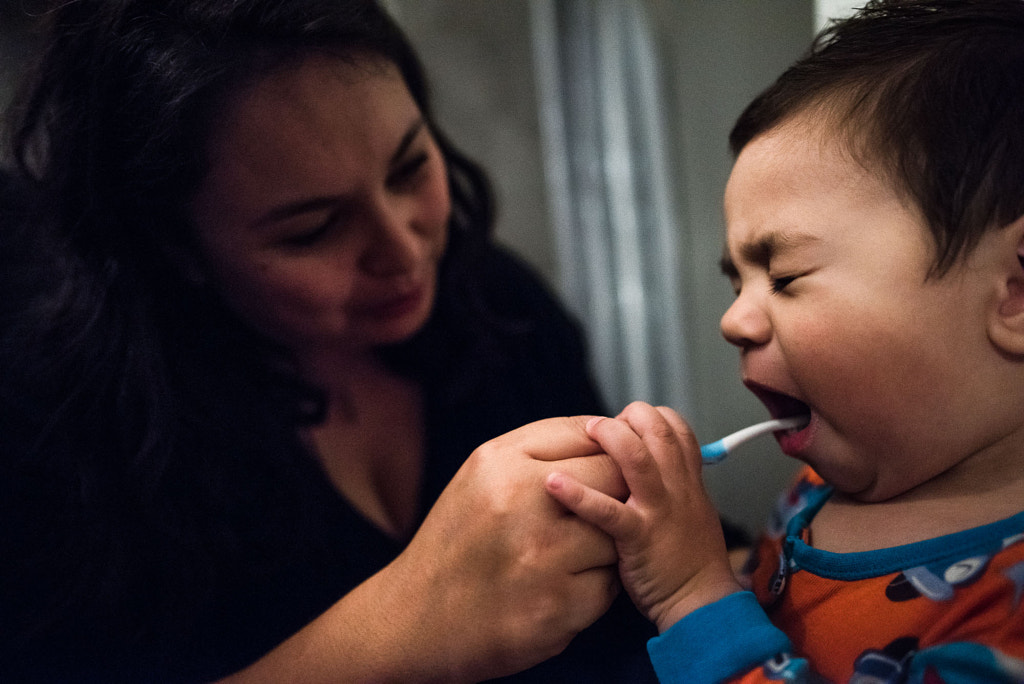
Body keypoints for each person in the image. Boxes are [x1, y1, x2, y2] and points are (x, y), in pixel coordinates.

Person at [0, 0, 667, 681]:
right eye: (313, 230)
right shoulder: (56, 431)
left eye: (409, 168)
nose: (402, 250)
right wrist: (402, 622)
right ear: (175, 249)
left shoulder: (497, 307)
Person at [544, 0, 1024, 681]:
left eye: (786, 274)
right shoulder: (815, 489)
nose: (734, 320)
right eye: (736, 283)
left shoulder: (1007, 617)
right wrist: (670, 548)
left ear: (1014, 290)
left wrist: (691, 596)